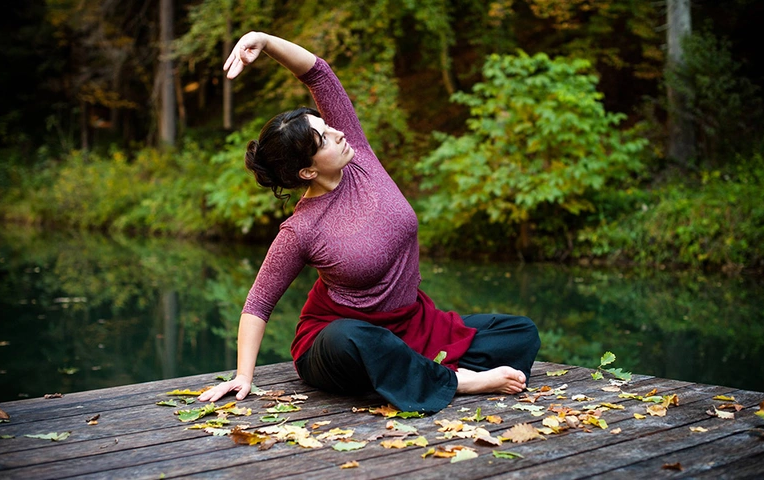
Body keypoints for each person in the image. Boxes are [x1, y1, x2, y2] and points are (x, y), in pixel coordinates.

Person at [199, 30, 541, 413]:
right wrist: (243, 375)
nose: (337, 132)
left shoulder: (358, 153)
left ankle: (414, 373)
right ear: (307, 171)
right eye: (324, 138)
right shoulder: (302, 229)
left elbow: (320, 75)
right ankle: (458, 381)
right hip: (339, 343)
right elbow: (259, 302)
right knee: (354, 339)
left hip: (412, 325)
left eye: (326, 126)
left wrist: (264, 40)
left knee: (518, 332)